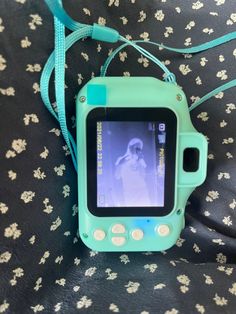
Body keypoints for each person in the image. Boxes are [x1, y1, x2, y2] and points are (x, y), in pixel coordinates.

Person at [115, 138, 150, 206]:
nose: (137, 149)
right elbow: (117, 177)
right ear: (130, 146)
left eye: (139, 148)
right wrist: (120, 164)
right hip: (129, 192)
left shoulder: (141, 160)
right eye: (136, 146)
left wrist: (140, 160)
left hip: (142, 190)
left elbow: (143, 175)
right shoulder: (121, 159)